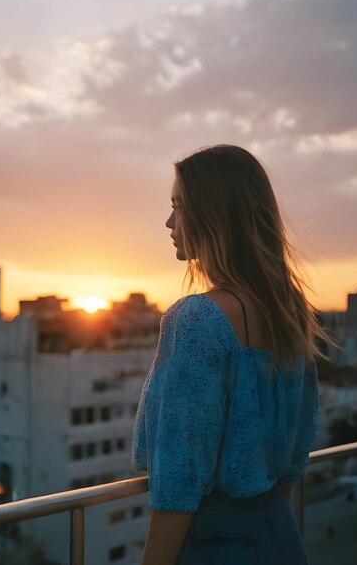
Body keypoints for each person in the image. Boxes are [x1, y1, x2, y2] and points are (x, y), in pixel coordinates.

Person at [131, 145, 334, 565]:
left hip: (215, 545)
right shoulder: (290, 311)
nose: (169, 222)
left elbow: (178, 483)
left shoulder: (197, 320)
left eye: (179, 206)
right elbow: (291, 460)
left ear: (214, 215)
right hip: (277, 534)